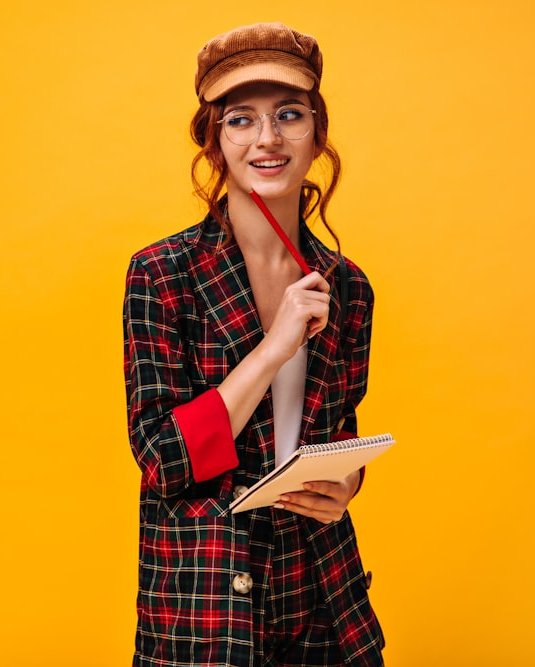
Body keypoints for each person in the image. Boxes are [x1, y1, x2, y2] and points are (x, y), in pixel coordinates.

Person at [123, 22, 384, 667]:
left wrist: (346, 480)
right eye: (241, 120)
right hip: (207, 597)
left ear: (316, 134)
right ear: (215, 141)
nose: (267, 140)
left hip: (322, 594)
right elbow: (162, 461)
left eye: (288, 115)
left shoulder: (347, 286)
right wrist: (273, 347)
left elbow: (336, 429)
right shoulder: (163, 273)